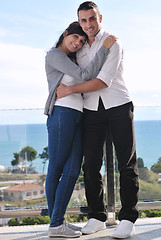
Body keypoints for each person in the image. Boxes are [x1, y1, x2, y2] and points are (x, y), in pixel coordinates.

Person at [56, 2, 139, 239]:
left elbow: (103, 81)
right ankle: (96, 216)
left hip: (119, 105)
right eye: (83, 20)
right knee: (90, 164)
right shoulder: (79, 46)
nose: (88, 25)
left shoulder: (113, 42)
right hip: (91, 109)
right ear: (78, 21)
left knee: (126, 162)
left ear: (99, 17)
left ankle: (128, 218)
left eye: (92, 19)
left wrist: (69, 92)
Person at [44, 21, 117, 238]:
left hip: (78, 114)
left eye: (82, 41)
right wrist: (105, 49)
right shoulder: (55, 55)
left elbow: (83, 76)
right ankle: (56, 224)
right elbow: (86, 75)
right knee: (56, 168)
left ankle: (58, 222)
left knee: (73, 170)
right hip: (61, 114)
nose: (77, 43)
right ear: (65, 34)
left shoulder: (71, 59)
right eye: (75, 37)